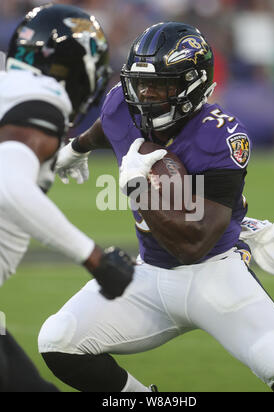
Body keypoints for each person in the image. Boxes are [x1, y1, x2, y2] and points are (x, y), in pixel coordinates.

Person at [38, 22, 274, 392]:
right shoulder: (122, 104)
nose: (145, 95)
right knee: (58, 340)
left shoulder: (220, 137)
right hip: (149, 275)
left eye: (160, 85)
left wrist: (138, 188)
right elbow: (108, 124)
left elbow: (193, 245)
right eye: (140, 83)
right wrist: (76, 148)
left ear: (192, 85)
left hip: (216, 275)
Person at [0, 3, 140, 392]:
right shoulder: (42, 101)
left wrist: (61, 156)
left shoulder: (10, 87)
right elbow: (10, 186)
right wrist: (95, 259)